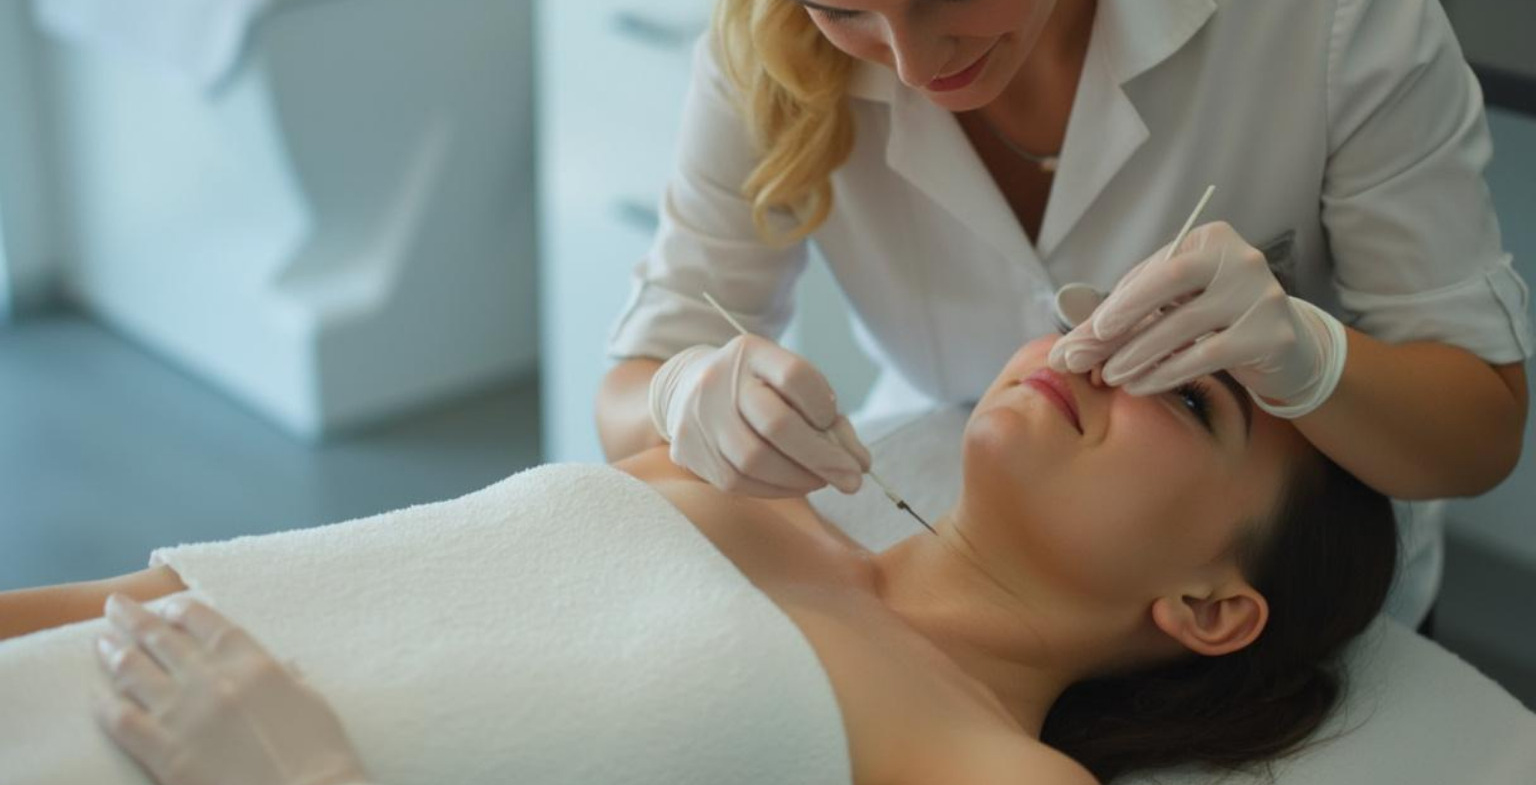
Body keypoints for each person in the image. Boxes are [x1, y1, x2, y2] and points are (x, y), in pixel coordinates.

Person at [595, 0, 1530, 632]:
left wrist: (1311, 359)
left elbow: (1479, 435)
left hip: (1281, 612)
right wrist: (686, 397)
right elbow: (633, 391)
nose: (917, 67)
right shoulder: (761, 29)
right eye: (839, 11)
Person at [3, 336, 1397, 785]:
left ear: (1212, 604)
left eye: (1194, 397)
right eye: (1115, 321)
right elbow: (160, 598)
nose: (1098, 355)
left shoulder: (993, 771)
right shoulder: (718, 483)